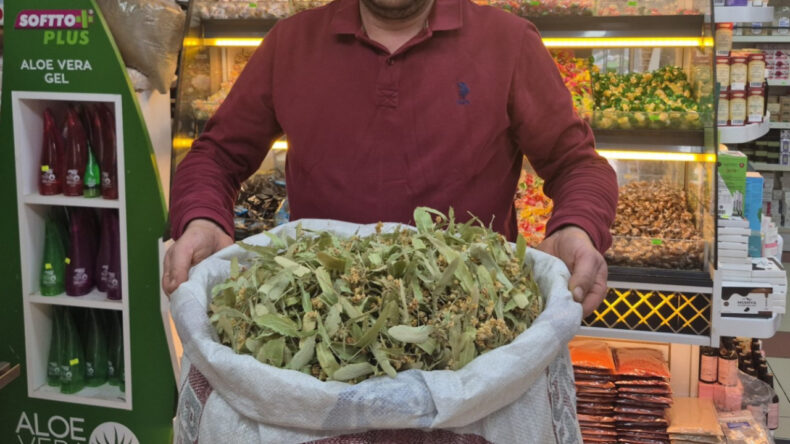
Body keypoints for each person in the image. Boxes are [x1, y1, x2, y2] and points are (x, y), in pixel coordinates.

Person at [162, 0, 618, 316]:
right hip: (323, 316)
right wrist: (202, 219)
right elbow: (217, 155)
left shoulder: (509, 43)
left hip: (473, 318)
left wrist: (575, 227)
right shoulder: (291, 43)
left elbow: (576, 164)